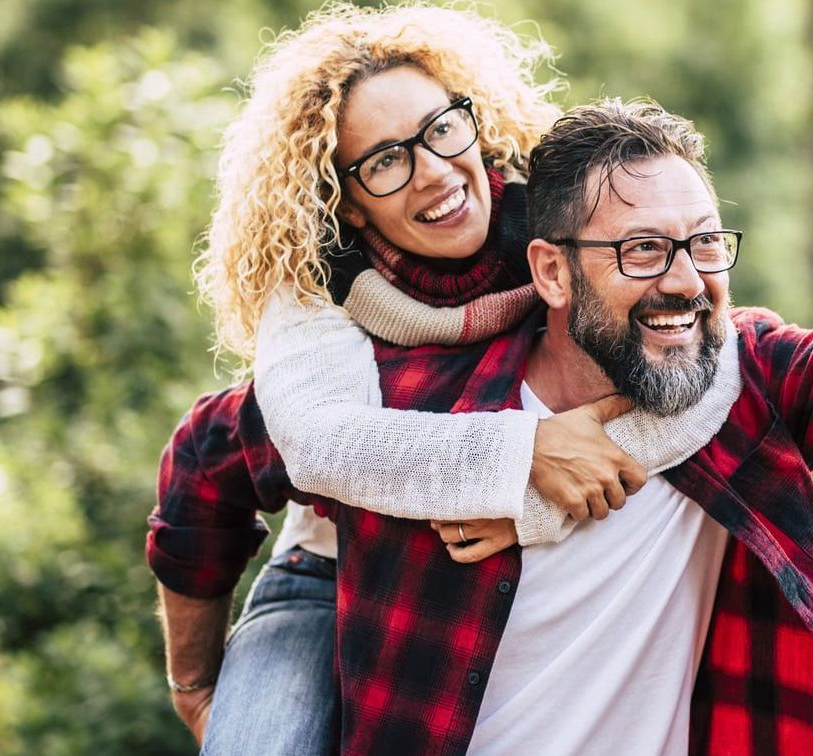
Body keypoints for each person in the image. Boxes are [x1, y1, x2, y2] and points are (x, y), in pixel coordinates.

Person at [154, 94, 813, 753]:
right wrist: (195, 676)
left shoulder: (745, 394)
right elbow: (209, 463)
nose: (685, 283)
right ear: (550, 270)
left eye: (702, 245)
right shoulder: (408, 411)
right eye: (641, 252)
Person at [147, 6, 736, 753]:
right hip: (328, 578)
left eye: (441, 129)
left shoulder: (566, 237)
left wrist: (526, 508)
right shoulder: (314, 297)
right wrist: (194, 684)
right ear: (344, 200)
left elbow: (709, 359)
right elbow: (300, 446)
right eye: (384, 161)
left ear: (475, 120)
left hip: (463, 582)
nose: (433, 170)